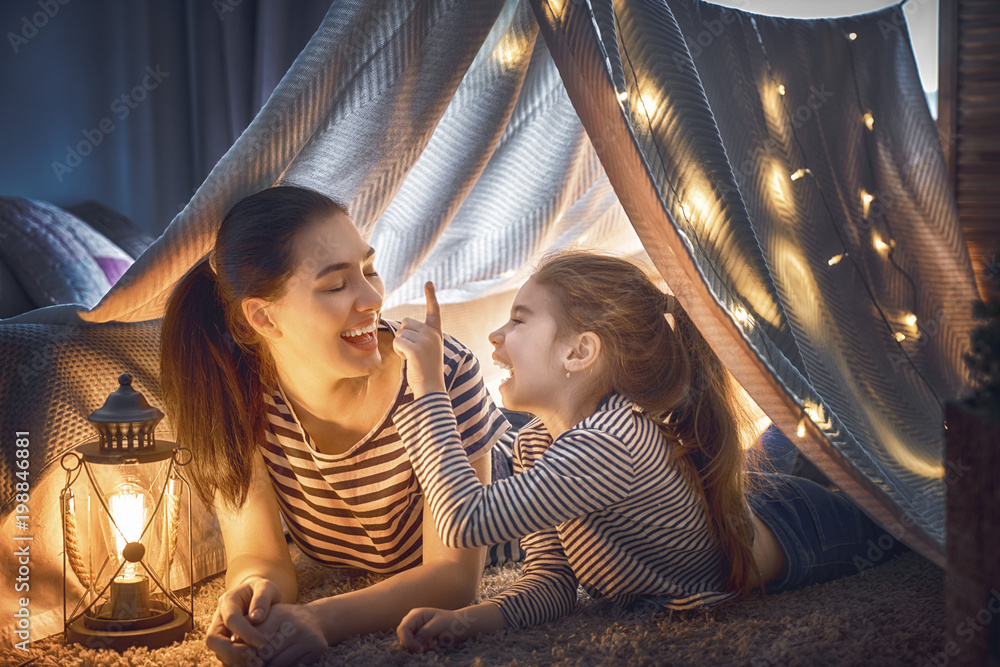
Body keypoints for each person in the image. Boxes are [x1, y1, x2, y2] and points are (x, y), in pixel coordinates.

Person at [390, 250, 908, 651]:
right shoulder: (535, 444)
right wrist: (466, 621)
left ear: (579, 352)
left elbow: (465, 519)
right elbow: (552, 583)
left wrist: (431, 387)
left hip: (800, 529)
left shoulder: (611, 443)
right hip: (746, 502)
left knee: (904, 510)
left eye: (519, 320)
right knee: (796, 452)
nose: (495, 335)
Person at [159, 186, 509, 666]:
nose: (373, 299)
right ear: (261, 318)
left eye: (368, 270)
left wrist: (319, 618)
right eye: (336, 285)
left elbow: (453, 578)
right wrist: (252, 595)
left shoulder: (440, 372)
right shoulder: (240, 399)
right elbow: (258, 554)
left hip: (520, 474)